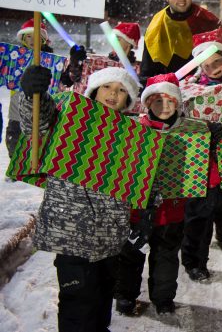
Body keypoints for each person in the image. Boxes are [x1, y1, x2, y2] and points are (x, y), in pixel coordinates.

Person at [18, 66, 139, 331]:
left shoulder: (132, 133)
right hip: (71, 232)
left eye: (121, 90)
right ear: (94, 90)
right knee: (78, 305)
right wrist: (34, 95)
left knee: (102, 298)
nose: (113, 94)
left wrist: (144, 211)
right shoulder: (69, 118)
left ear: (128, 100)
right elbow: (38, 123)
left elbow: (139, 178)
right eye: (107, 87)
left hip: (110, 234)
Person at [114, 73, 187, 315]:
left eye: (169, 101)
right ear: (147, 103)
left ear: (177, 103)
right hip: (136, 209)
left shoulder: (189, 132)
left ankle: (163, 297)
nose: (164, 107)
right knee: (130, 254)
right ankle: (125, 295)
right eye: (157, 101)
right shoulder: (134, 128)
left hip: (171, 210)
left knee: (166, 256)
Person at [180, 28, 222, 282]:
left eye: (218, 62)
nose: (213, 68)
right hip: (202, 164)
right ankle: (194, 262)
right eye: (207, 64)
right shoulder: (191, 89)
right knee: (198, 215)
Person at [134, 0, 221, 85]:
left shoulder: (207, 20)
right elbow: (147, 73)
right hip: (165, 91)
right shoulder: (156, 25)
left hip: (201, 89)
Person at [6, 19, 54, 159]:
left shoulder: (51, 60)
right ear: (23, 38)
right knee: (16, 148)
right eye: (28, 36)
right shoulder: (14, 57)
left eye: (37, 35)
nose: (33, 39)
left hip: (42, 113)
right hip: (17, 110)